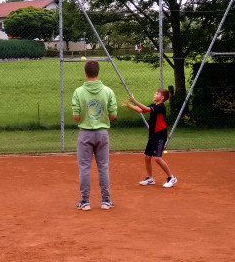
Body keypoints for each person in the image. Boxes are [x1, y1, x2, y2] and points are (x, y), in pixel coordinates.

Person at [71, 59, 118, 211]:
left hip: (85, 133)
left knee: (84, 168)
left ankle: (85, 201)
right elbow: (113, 115)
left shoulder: (78, 92)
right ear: (98, 72)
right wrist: (100, 120)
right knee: (103, 167)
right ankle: (105, 201)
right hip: (102, 133)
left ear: (85, 73)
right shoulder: (108, 91)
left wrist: (87, 119)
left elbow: (76, 116)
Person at [123, 87, 177, 188]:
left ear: (162, 97)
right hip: (153, 136)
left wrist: (134, 101)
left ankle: (171, 177)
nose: (154, 95)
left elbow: (146, 109)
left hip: (160, 136)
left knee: (157, 158)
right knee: (147, 157)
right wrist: (129, 105)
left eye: (157, 94)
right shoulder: (154, 106)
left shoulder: (161, 107)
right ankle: (150, 178)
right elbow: (140, 110)